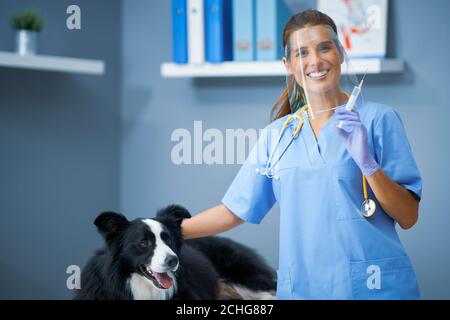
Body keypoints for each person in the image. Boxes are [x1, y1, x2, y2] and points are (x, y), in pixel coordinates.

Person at [181, 9, 422, 300]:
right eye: (302, 53)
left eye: (324, 47)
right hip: (304, 290)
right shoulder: (277, 135)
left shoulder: (378, 120)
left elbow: (408, 216)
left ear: (341, 52)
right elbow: (234, 210)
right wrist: (165, 231)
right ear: (289, 64)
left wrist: (368, 163)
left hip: (374, 288)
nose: (315, 61)